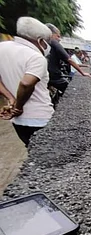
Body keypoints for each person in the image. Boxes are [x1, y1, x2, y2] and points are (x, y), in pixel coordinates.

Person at [0, 17, 54, 147]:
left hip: (17, 121)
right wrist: (18, 106)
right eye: (48, 41)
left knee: (31, 150)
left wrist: (11, 99)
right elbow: (26, 83)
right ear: (40, 40)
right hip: (40, 118)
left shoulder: (2, 48)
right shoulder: (36, 57)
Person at [45, 23, 91, 95]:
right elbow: (69, 59)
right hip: (53, 76)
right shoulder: (54, 42)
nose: (59, 39)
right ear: (51, 34)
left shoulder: (43, 43)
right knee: (72, 92)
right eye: (58, 36)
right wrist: (82, 73)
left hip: (44, 75)